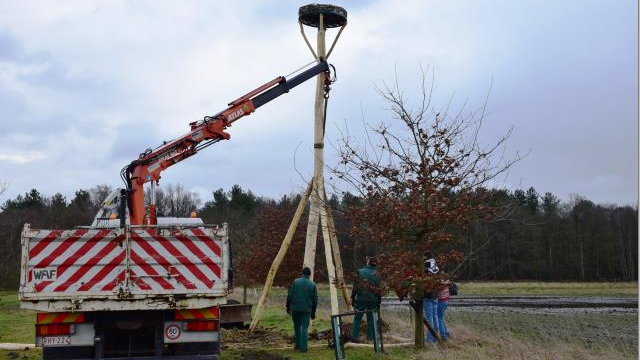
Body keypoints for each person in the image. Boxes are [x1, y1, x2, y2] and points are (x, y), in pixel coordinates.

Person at [286, 267, 318, 352]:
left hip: (295, 309)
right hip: (306, 310)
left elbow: (289, 295)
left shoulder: (295, 282)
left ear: (302, 273)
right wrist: (313, 312)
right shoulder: (313, 285)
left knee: (296, 327)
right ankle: (303, 348)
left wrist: (287, 307)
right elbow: (315, 300)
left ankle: (297, 346)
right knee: (304, 328)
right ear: (309, 275)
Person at [351, 256, 381, 342]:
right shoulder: (378, 274)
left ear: (367, 262)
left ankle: (355, 338)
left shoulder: (360, 271)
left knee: (357, 318)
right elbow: (379, 290)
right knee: (371, 319)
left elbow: (355, 287)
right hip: (373, 300)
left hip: (361, 298)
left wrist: (353, 297)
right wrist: (378, 302)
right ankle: (371, 339)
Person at [423, 252, 439, 343]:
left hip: (428, 297)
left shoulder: (426, 272)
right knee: (435, 317)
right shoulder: (436, 271)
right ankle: (435, 338)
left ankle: (430, 339)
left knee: (430, 319)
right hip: (435, 296)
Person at [436, 268, 451, 341]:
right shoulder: (447, 281)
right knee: (441, 318)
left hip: (441, 301)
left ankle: (443, 336)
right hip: (446, 300)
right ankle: (446, 332)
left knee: (439, 319)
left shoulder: (440, 282)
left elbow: (437, 289)